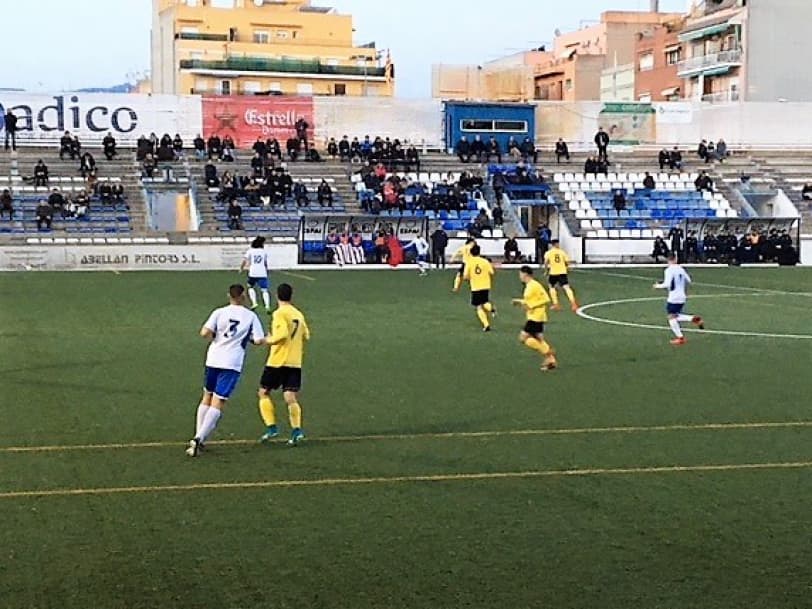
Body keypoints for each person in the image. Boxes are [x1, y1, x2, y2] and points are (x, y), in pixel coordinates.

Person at [186, 284, 266, 457]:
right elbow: (259, 340)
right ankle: (199, 438)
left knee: (207, 395)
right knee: (219, 401)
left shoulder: (219, 312)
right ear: (243, 296)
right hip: (232, 362)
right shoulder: (250, 316)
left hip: (213, 358)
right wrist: (253, 339)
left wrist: (216, 338)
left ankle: (199, 436)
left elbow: (204, 332)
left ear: (228, 295)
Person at [257, 283, 310, 446]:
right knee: (290, 396)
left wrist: (267, 340)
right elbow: (306, 335)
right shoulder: (298, 314)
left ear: (277, 296)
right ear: (291, 296)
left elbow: (282, 334)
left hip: (278, 360)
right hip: (295, 361)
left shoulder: (279, 313)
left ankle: (271, 427)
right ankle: (297, 431)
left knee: (263, 392)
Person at [653, 254, 705, 346]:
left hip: (673, 297)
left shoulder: (668, 270)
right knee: (675, 315)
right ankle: (694, 319)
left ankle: (680, 338)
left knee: (671, 317)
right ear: (675, 259)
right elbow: (689, 280)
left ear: (668, 260)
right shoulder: (681, 269)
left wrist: (657, 286)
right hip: (682, 296)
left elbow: (667, 284)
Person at [512, 266, 557, 371]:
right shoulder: (529, 286)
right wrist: (519, 302)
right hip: (534, 315)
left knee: (523, 338)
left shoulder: (534, 285)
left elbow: (546, 299)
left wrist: (532, 306)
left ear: (525, 274)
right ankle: (551, 360)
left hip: (536, 317)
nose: (520, 277)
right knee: (539, 338)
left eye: (520, 274)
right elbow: (530, 301)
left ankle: (547, 352)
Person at [462, 244, 496, 332]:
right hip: (486, 285)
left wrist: (470, 278)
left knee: (479, 306)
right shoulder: (485, 261)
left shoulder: (469, 262)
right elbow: (492, 272)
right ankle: (491, 308)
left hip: (476, 287)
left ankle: (486, 325)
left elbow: (465, 276)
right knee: (485, 302)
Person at [544, 240, 579, 312]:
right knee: (566, 287)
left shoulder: (549, 253)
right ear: (556, 244)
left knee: (551, 287)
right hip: (562, 272)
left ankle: (556, 304)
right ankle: (573, 304)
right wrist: (567, 268)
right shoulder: (562, 252)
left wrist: (546, 271)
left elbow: (546, 262)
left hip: (553, 272)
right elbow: (567, 262)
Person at [240, 236, 272, 313]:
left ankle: (254, 303)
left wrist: (241, 268)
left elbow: (245, 260)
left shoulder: (250, 251)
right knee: (264, 290)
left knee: (250, 286)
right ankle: (267, 306)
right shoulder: (263, 252)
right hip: (262, 272)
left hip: (253, 272)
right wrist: (266, 270)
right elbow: (265, 263)